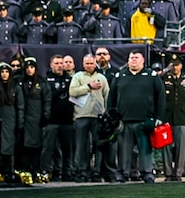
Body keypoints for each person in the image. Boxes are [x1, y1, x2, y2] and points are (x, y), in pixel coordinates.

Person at [107, 50, 165, 184]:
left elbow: (161, 97)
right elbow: (112, 98)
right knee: (124, 150)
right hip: (124, 120)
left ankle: (147, 173)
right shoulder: (120, 76)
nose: (133, 60)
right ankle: (122, 173)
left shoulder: (152, 76)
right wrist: (112, 116)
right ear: (127, 60)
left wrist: (159, 117)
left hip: (145, 120)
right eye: (131, 57)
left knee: (145, 149)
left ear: (143, 60)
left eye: (136, 57)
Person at [69, 53, 109, 182]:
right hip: (81, 116)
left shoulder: (101, 78)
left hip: (98, 116)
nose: (89, 66)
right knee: (81, 146)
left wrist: (106, 113)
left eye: (91, 63)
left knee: (98, 145)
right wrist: (88, 87)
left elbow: (107, 96)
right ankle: (82, 171)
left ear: (95, 63)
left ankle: (96, 172)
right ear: (83, 63)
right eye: (87, 63)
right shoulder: (77, 76)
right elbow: (72, 92)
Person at [160, 54, 185, 181]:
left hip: (182, 117)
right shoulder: (164, 78)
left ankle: (178, 173)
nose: (175, 67)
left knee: (181, 147)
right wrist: (164, 71)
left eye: (177, 65)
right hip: (166, 117)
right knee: (166, 147)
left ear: (181, 65)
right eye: (173, 65)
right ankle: (168, 173)